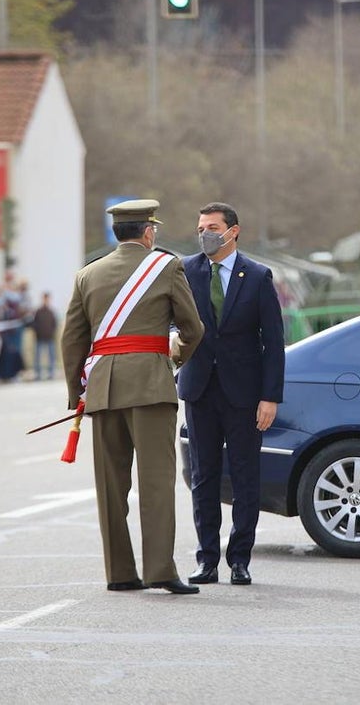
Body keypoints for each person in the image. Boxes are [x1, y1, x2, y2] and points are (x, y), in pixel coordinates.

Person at [61, 198, 204, 594]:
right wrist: (174, 358)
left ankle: (120, 572)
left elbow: (72, 339)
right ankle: (159, 569)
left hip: (104, 388)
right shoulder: (167, 266)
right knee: (156, 483)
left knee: (111, 487)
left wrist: (77, 394)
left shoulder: (87, 275)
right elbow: (193, 328)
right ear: (147, 232)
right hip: (150, 386)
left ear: (115, 233)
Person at [176, 202, 285, 587]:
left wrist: (270, 397)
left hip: (244, 394)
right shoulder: (186, 271)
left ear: (233, 231)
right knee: (204, 477)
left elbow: (273, 342)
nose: (205, 233)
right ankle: (207, 560)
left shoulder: (256, 276)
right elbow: (171, 324)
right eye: (200, 226)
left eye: (212, 226)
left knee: (244, 478)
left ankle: (240, 558)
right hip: (200, 390)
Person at [31, 292, 58, 380]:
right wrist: (37, 332)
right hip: (40, 337)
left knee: (51, 355)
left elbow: (54, 324)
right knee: (37, 356)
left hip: (50, 337)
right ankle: (38, 374)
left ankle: (51, 373)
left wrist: (52, 332)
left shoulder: (51, 312)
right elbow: (34, 324)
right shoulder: (38, 311)